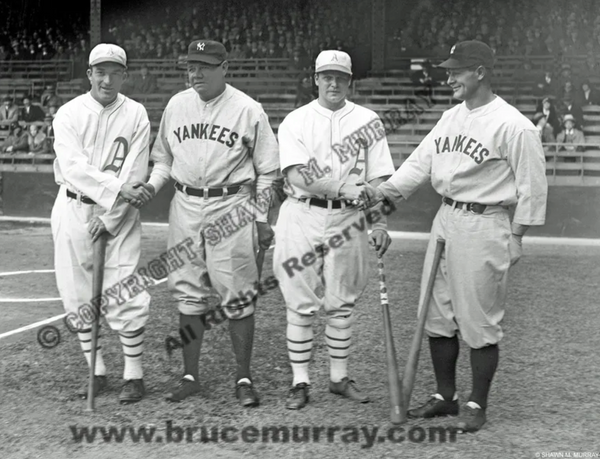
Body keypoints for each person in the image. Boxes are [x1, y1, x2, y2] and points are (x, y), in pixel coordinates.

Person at [364, 40, 548, 433]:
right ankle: (446, 397)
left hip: (485, 221)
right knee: (435, 313)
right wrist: (386, 191)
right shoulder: (450, 117)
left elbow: (533, 187)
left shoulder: (513, 124)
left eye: (456, 71)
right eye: (447, 70)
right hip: (446, 215)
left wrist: (517, 236)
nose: (448, 77)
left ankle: (476, 402)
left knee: (479, 319)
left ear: (480, 71)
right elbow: (419, 163)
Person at [141, 40, 280, 407]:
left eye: (204, 65)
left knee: (238, 292)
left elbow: (268, 171)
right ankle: (190, 377)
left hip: (232, 204)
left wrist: (262, 217)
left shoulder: (248, 109)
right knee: (187, 289)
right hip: (185, 203)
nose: (195, 73)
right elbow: (163, 160)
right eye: (190, 66)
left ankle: (244, 377)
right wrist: (152, 186)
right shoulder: (176, 104)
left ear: (225, 67)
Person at [274, 50, 396, 410]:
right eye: (326, 76)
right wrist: (341, 187)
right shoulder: (296, 120)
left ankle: (339, 378)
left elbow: (378, 177)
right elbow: (298, 174)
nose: (333, 83)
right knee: (300, 301)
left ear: (350, 80)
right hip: (302, 213)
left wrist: (380, 221)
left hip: (349, 218)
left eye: (340, 77)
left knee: (342, 302)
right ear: (315, 79)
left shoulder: (368, 120)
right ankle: (300, 382)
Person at [50, 43, 154, 404]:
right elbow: (73, 167)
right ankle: (96, 371)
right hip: (73, 207)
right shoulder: (68, 113)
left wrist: (111, 216)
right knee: (77, 293)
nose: (107, 79)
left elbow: (136, 171)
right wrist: (115, 193)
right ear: (90, 73)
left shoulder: (137, 113)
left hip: (120, 212)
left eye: (115, 72)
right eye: (100, 71)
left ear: (125, 74)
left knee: (125, 289)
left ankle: (133, 375)